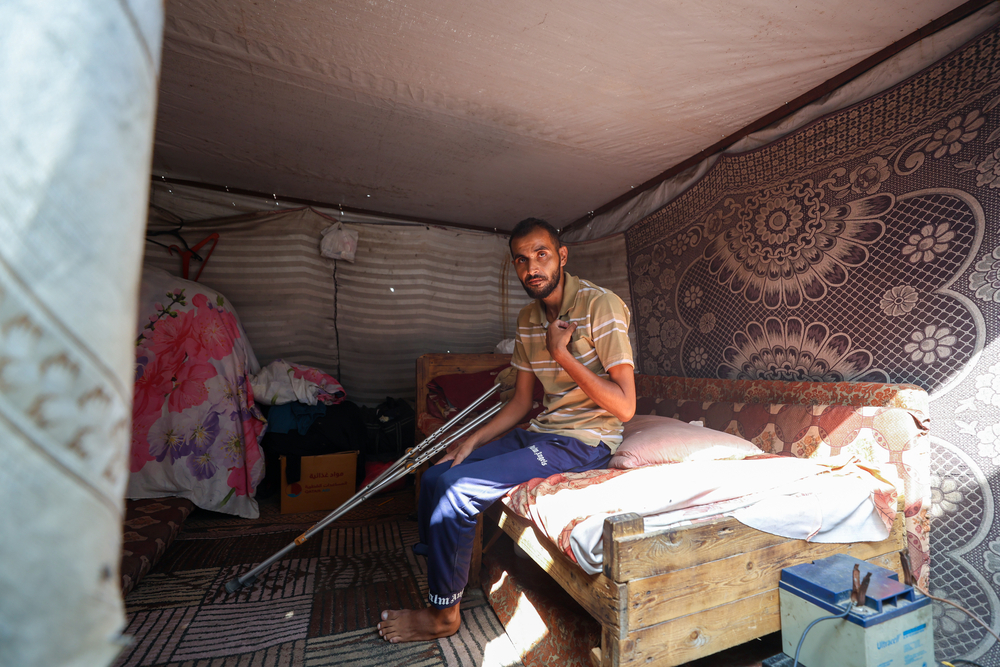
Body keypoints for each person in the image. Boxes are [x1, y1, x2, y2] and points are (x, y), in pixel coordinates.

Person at [378, 217, 635, 643]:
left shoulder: (600, 305)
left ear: (562, 256)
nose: (532, 267)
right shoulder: (528, 318)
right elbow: (520, 402)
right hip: (543, 431)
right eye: (521, 260)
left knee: (459, 491)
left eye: (541, 254)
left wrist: (561, 354)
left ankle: (443, 616)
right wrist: (470, 441)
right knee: (439, 473)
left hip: (584, 441)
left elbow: (626, 406)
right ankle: (449, 570)